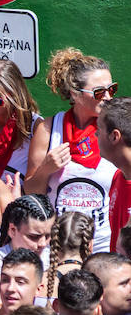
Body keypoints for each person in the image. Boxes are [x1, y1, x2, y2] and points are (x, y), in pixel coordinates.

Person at [28, 49, 118, 252]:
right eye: (98, 92)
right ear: (75, 94)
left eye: (111, 89)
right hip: (57, 245)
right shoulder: (48, 130)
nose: (107, 98)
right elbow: (31, 191)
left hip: (103, 245)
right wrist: (45, 169)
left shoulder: (116, 130)